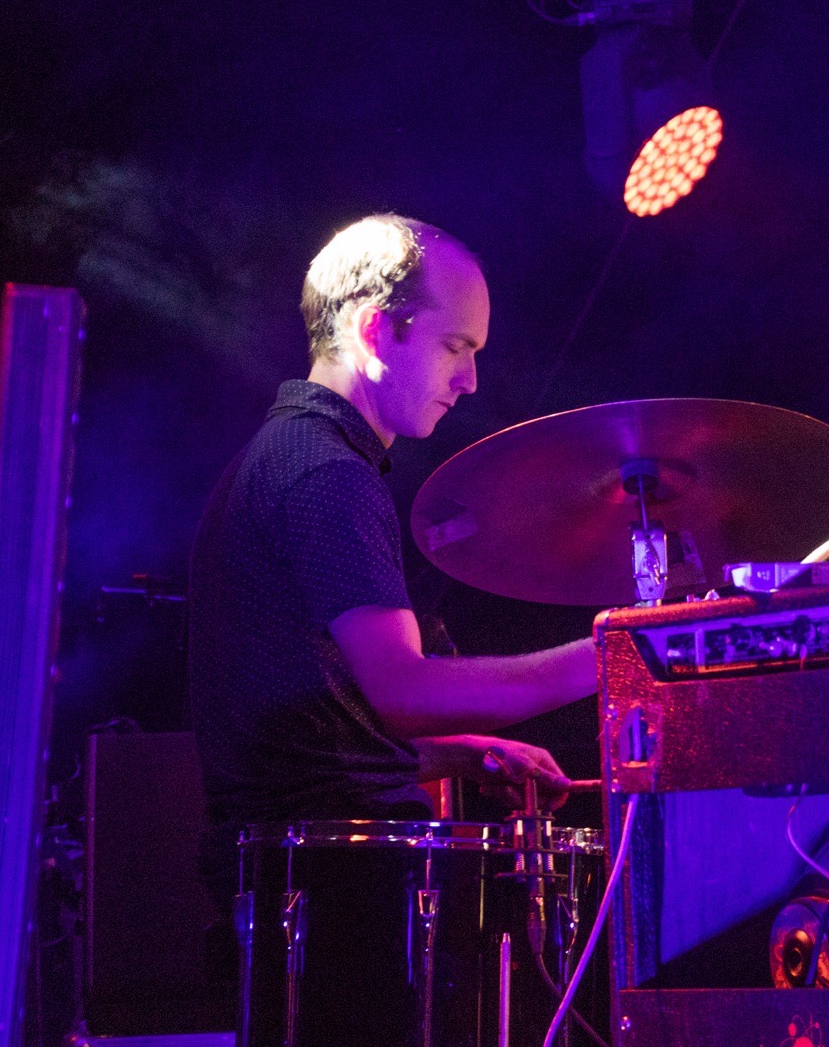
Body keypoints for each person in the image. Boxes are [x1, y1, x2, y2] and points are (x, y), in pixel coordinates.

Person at [186, 214, 599, 1044]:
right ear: (378, 329)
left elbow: (302, 735)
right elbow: (403, 691)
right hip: (344, 901)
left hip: (295, 886)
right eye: (456, 347)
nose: (471, 380)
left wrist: (465, 752)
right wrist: (613, 652)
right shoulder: (325, 472)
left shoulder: (285, 453)